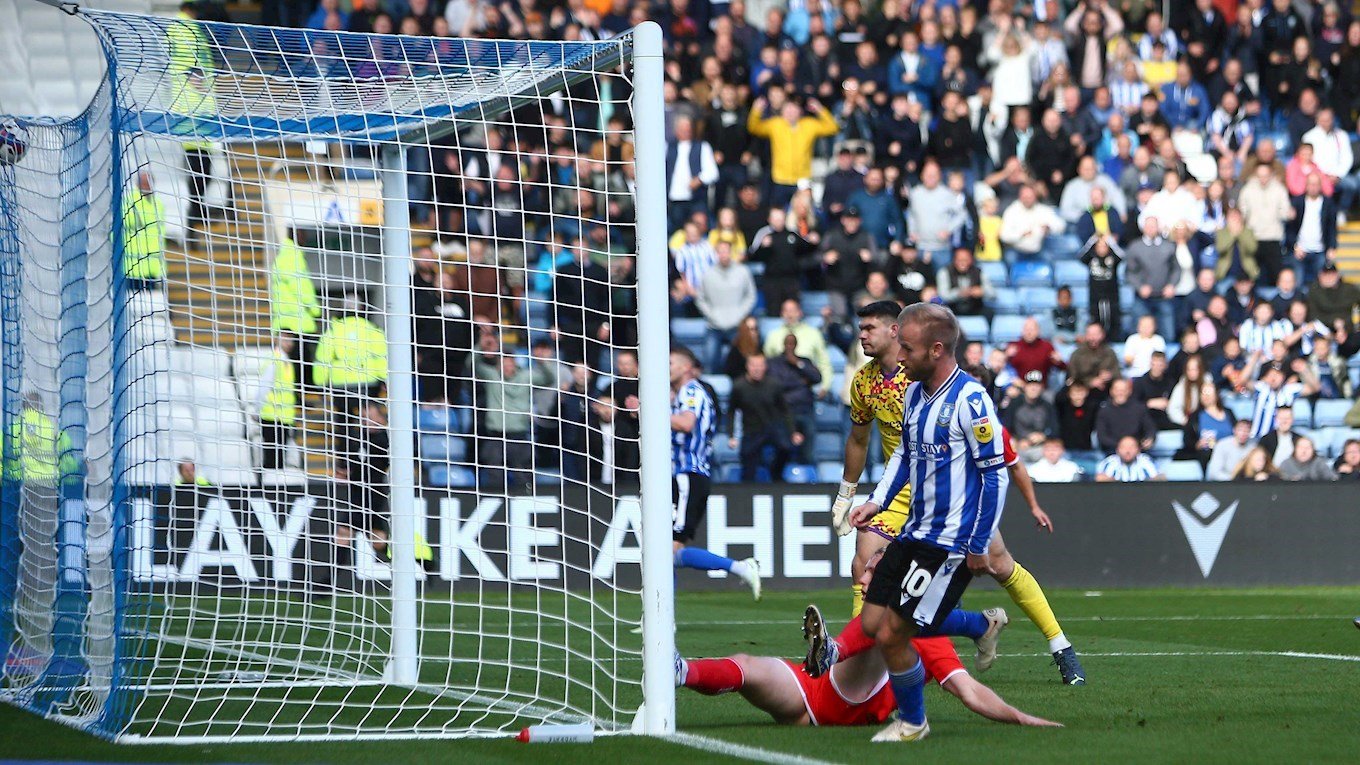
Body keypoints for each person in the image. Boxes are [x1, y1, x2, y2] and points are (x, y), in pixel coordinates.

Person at [844, 303, 1045, 742]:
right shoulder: (914, 393)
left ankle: (913, 722)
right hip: (913, 531)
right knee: (873, 623)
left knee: (894, 633)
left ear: (936, 350)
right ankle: (980, 625)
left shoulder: (971, 400)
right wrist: (876, 502)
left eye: (908, 348)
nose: (900, 356)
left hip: (948, 543)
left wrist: (977, 543)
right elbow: (904, 453)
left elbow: (995, 477)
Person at [678, 596, 1059, 730]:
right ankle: (679, 671)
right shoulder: (875, 617)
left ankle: (832, 651)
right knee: (746, 665)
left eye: (875, 572)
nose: (867, 578)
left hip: (851, 703)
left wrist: (1021, 718)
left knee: (886, 628)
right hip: (810, 693)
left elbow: (970, 692)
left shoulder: (928, 638)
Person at [670, 347, 761, 598]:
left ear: (686, 367)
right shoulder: (684, 393)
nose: (666, 368)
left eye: (671, 363)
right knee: (664, 553)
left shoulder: (691, 391)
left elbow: (686, 423)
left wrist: (650, 412)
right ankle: (663, 615)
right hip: (686, 476)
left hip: (688, 474)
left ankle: (740, 568)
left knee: (668, 552)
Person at [271, 227, 323, 398]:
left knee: (297, 360)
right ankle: (302, 393)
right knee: (299, 360)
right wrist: (315, 308)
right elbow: (301, 286)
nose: (306, 238)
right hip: (294, 321)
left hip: (289, 320)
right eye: (303, 234)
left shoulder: (285, 254)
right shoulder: (291, 255)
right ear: (297, 235)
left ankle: (301, 394)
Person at [767, 334, 822, 463]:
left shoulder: (804, 361)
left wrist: (798, 364)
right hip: (783, 412)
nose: (790, 346)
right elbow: (777, 384)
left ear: (796, 345)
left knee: (808, 452)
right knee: (783, 450)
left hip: (805, 410)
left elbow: (817, 378)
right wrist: (800, 383)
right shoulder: (774, 363)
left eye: (792, 343)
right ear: (783, 344)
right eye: (788, 343)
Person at [762, 300, 833, 398]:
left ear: (800, 312)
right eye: (786, 311)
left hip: (804, 391)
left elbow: (823, 362)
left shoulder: (813, 334)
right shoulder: (773, 335)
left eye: (793, 311)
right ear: (781, 314)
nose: (789, 315)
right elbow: (767, 363)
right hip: (780, 392)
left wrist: (825, 387)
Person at [255, 334, 298, 472]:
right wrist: (257, 410)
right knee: (272, 458)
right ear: (276, 340)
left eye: (291, 339)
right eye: (285, 339)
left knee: (279, 459)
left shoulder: (286, 361)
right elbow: (264, 387)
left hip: (283, 417)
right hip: (272, 416)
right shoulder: (275, 360)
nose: (289, 342)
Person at [121, 171, 166, 292]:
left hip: (153, 268)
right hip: (131, 268)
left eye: (149, 182)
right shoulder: (128, 203)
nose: (147, 186)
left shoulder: (158, 204)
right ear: (137, 184)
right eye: (144, 183)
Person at [1095, 436, 1164, 481]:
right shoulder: (1109, 462)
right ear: (1117, 450)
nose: (1127, 451)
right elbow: (1100, 478)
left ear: (1138, 450)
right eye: (1123, 447)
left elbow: (1161, 478)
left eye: (1131, 447)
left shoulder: (1147, 461)